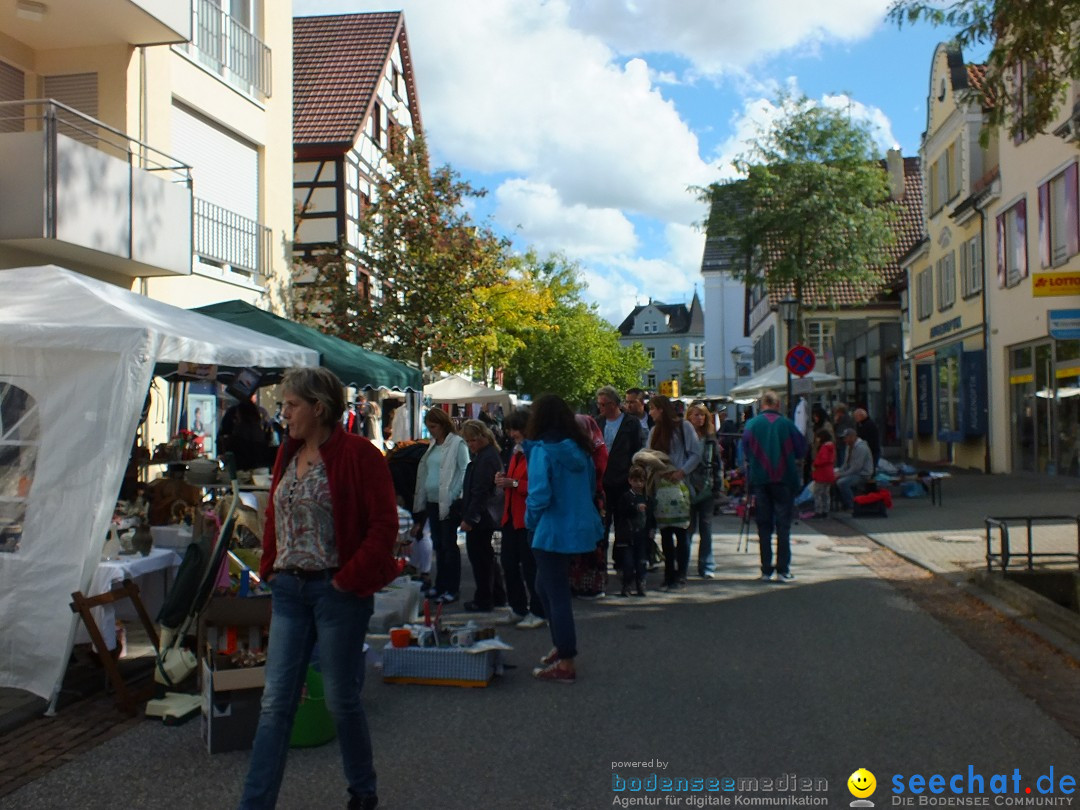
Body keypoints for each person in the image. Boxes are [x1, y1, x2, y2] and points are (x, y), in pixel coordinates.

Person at [240, 367, 399, 810]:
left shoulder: (359, 454)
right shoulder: (287, 454)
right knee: (275, 704)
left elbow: (384, 525)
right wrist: (271, 566)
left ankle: (362, 792)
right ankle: (254, 804)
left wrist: (347, 579)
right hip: (289, 591)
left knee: (340, 700)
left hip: (337, 592)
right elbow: (275, 513)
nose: (283, 413)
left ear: (319, 407)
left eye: (291, 405)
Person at [524, 394, 605, 684]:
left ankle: (566, 659)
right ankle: (562, 646)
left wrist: (529, 522)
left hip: (550, 529)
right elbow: (590, 487)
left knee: (555, 594)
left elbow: (539, 495)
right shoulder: (580, 448)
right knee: (544, 587)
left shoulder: (542, 449)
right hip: (577, 526)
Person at [741, 390, 806, 583]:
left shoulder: (751, 425)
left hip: (760, 480)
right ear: (778, 405)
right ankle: (783, 570)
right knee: (783, 526)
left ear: (762, 405)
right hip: (783, 479)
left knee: (764, 526)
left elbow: (744, 451)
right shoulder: (787, 424)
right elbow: (801, 449)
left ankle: (766, 570)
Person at [411, 408, 470, 603]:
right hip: (431, 500)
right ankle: (440, 585)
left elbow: (464, 470)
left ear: (443, 425)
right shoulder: (433, 445)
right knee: (438, 545)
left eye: (434, 427)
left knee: (448, 546)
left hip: (448, 502)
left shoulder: (457, 444)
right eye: (428, 427)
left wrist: (453, 494)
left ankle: (452, 588)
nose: (431, 431)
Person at [494, 408, 545, 628]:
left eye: (515, 429)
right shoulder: (516, 452)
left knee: (530, 567)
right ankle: (517, 608)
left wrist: (512, 483)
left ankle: (538, 611)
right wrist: (504, 479)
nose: (512, 433)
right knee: (509, 564)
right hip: (511, 518)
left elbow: (539, 486)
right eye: (510, 429)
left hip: (527, 519)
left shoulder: (535, 452)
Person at [647, 395, 701, 588]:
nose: (650, 412)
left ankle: (681, 573)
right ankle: (669, 573)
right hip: (662, 487)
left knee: (681, 532)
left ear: (661, 409)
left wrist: (681, 471)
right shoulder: (654, 431)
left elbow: (696, 453)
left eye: (653, 408)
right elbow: (648, 456)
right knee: (666, 533)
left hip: (680, 486)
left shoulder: (683, 427)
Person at [459, 419, 507, 613]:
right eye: (468, 441)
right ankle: (496, 595)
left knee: (481, 559)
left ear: (482, 437)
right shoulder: (487, 455)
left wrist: (470, 518)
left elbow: (480, 491)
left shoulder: (486, 458)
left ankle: (485, 599)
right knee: (486, 558)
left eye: (472, 440)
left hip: (482, 516)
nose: (470, 445)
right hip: (486, 515)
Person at [595, 386, 645, 550]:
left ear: (614, 404)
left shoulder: (631, 423)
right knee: (602, 523)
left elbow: (637, 450)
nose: (600, 408)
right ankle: (601, 560)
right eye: (599, 404)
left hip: (623, 480)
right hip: (603, 481)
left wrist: (634, 477)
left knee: (623, 523)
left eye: (604, 404)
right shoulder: (597, 423)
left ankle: (623, 562)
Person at [571, 413, 610, 598]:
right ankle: (578, 583)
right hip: (583, 500)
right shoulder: (581, 448)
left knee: (593, 545)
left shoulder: (596, 448)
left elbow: (599, 473)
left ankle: (593, 586)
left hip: (593, 500)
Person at [685, 403, 720, 578]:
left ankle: (707, 566)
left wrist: (717, 485)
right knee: (688, 529)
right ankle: (682, 564)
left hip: (707, 486)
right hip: (688, 486)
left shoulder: (710, 438)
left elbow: (717, 463)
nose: (699, 418)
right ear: (689, 417)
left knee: (706, 528)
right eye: (696, 415)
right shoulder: (684, 436)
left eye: (702, 415)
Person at [613, 465, 650, 596]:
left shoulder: (646, 498)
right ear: (630, 480)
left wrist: (651, 530)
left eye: (641, 481)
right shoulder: (626, 497)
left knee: (641, 562)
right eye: (635, 480)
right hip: (628, 535)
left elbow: (650, 516)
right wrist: (634, 508)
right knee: (628, 563)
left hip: (642, 535)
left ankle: (641, 584)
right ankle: (626, 585)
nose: (638, 484)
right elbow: (621, 512)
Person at [834, 427, 874, 510]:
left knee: (842, 482)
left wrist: (840, 475)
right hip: (853, 472)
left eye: (846, 437)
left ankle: (852, 504)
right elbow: (845, 464)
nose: (844, 440)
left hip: (862, 474)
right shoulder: (849, 447)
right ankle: (842, 503)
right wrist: (838, 472)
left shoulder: (861, 448)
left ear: (852, 436)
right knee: (833, 477)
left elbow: (856, 468)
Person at [810, 428, 837, 518]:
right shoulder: (831, 447)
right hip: (829, 473)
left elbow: (823, 459)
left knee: (818, 492)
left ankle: (819, 510)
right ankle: (826, 510)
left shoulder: (824, 447)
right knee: (826, 492)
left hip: (821, 473)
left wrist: (815, 464)